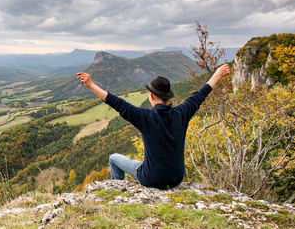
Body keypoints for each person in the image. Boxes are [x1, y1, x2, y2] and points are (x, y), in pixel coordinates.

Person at [77, 64, 230, 189]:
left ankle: (117, 192)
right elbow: (200, 95)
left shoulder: (146, 117)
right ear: (168, 98)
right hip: (177, 177)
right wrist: (217, 74)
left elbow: (116, 102)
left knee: (113, 158)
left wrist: (91, 85)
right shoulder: (182, 112)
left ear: (151, 96)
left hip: (152, 179)